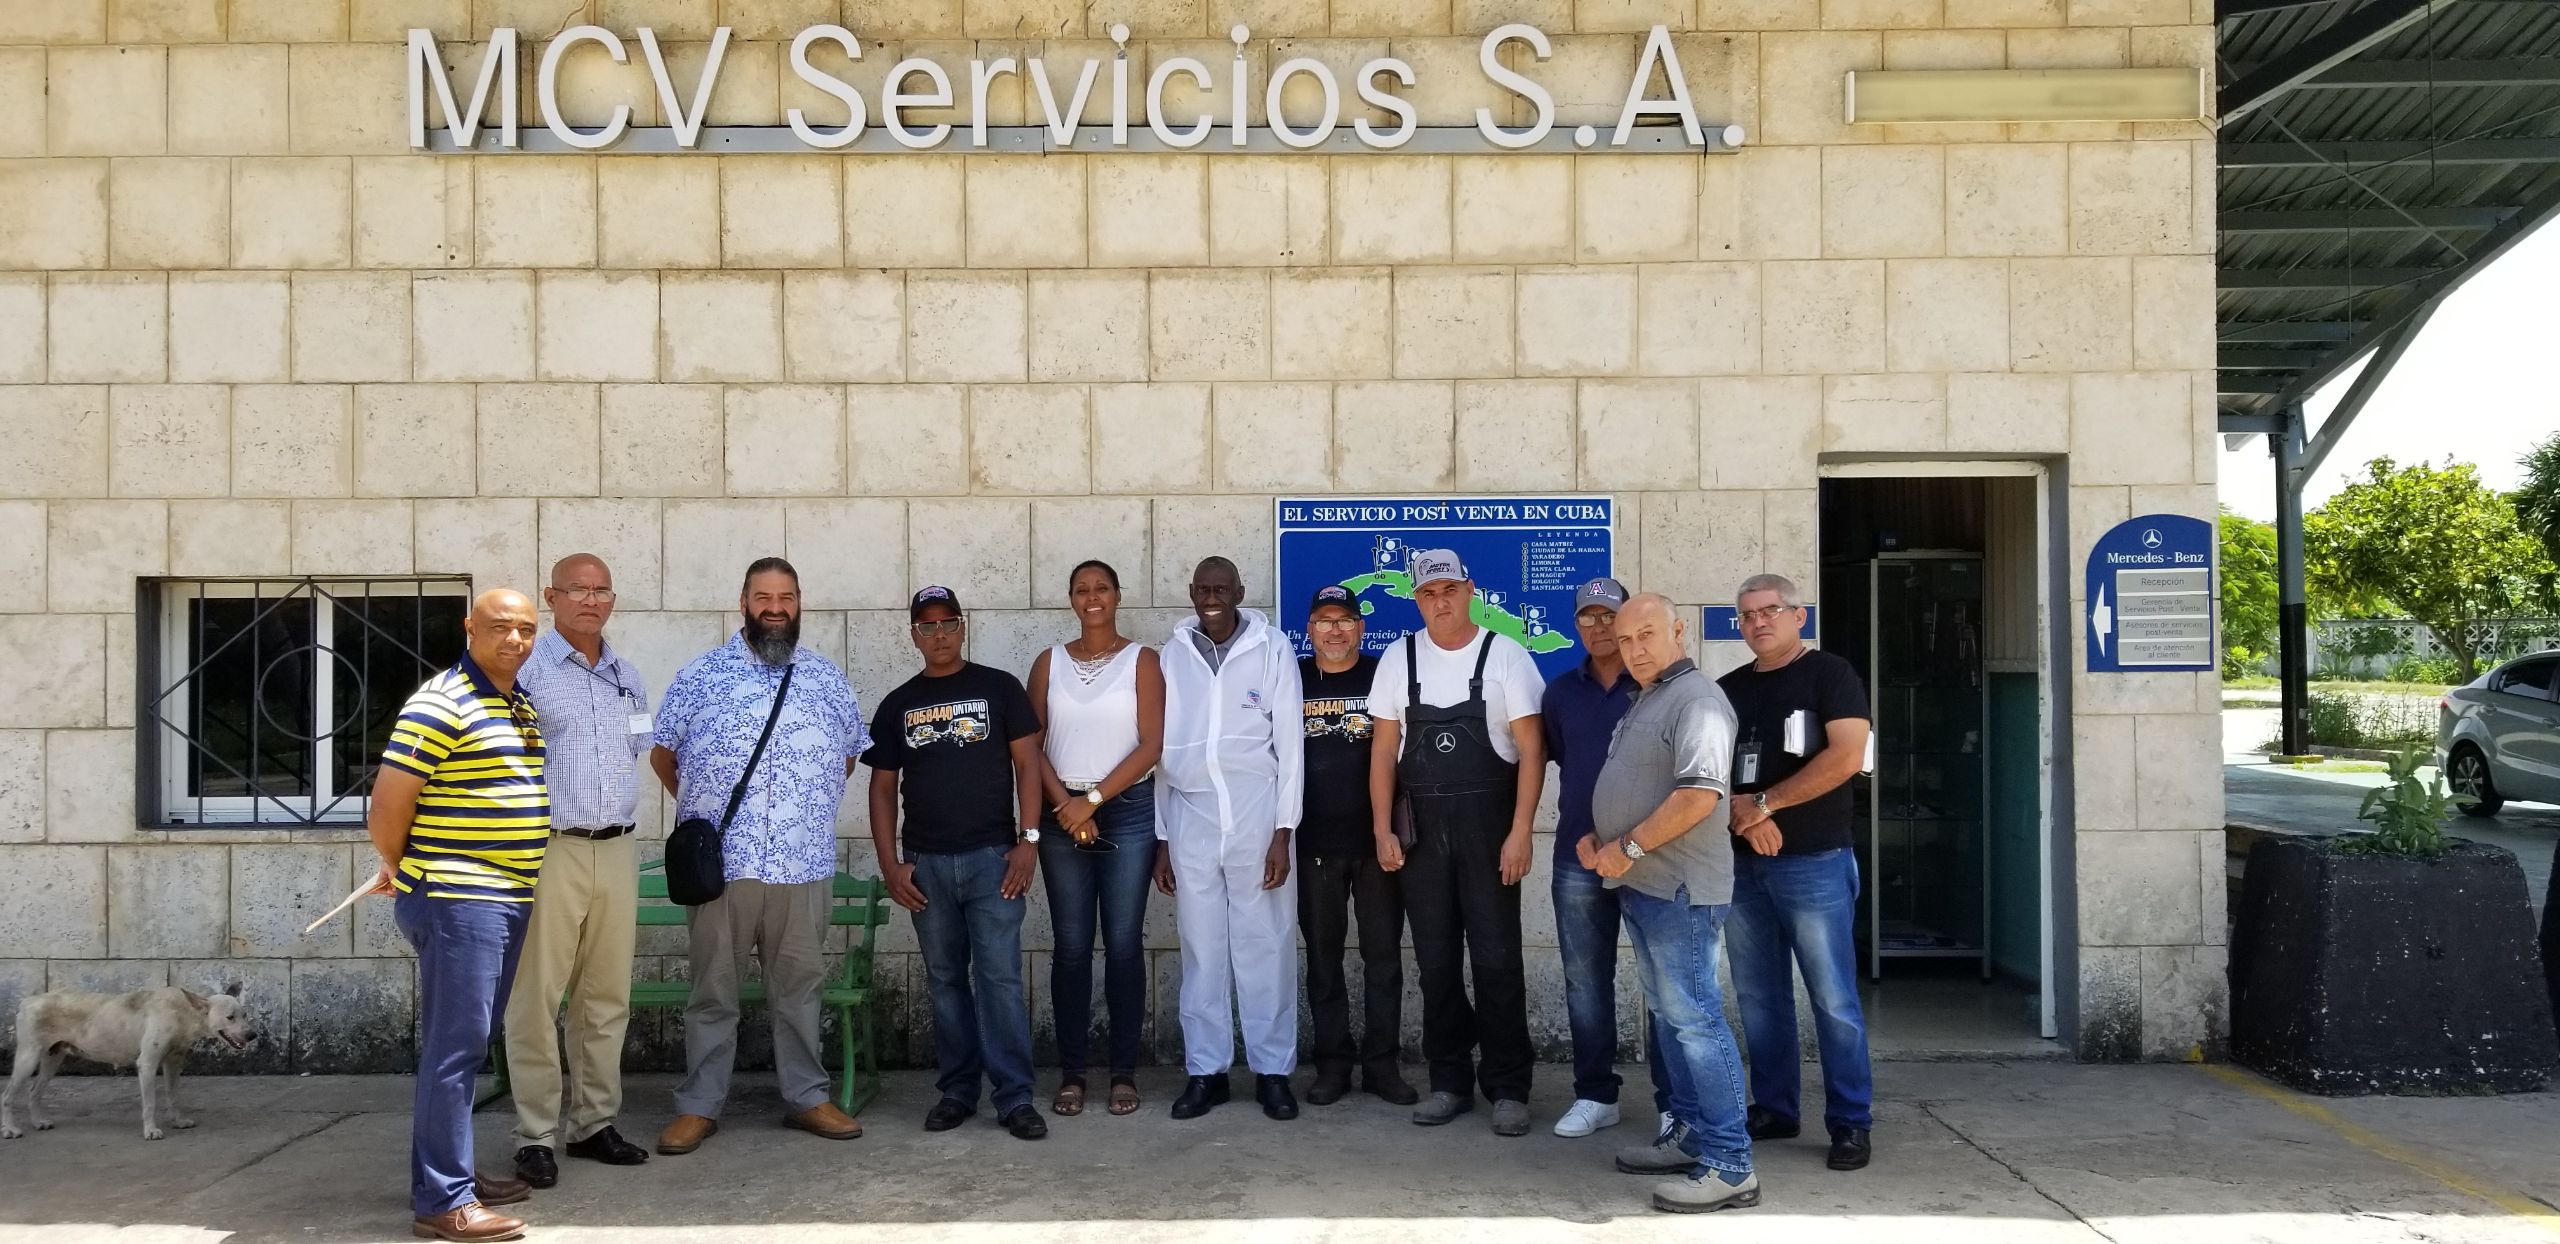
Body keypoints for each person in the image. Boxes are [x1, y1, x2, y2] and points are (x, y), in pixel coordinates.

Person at [649, 558, 871, 1155]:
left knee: (800, 988)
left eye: (787, 597)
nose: (776, 607)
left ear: (800, 603)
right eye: (763, 596)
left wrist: (798, 810)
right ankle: (699, 1106)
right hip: (724, 867)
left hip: (801, 864)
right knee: (712, 991)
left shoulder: (827, 680)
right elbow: (665, 756)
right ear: (743, 602)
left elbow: (846, 758)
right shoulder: (701, 675)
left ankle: (807, 1097)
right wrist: (712, 818)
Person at [366, 588, 547, 1243]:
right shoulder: (440, 702)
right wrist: (402, 865)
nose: (515, 641)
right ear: (470, 627)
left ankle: (453, 1174)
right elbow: (388, 805)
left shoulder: (510, 698)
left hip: (500, 896)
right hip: (459, 898)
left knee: (468, 1045)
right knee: (456, 1050)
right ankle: (444, 1200)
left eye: (526, 630)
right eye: (500, 628)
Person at [1586, 594, 1757, 1215]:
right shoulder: (1651, 696)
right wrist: (1603, 838)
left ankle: (1731, 1164)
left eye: (1647, 635)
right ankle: (1686, 1134)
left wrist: (1626, 845)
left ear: (1678, 631)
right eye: (1626, 640)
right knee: (1672, 1016)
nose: (1634, 649)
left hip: (1680, 890)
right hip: (1647, 885)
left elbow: (1698, 797)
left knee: (1696, 1022)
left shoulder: (1699, 701)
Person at [1368, 549, 1547, 1137]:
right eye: (1427, 592)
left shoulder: (1507, 656)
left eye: (1449, 588)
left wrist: (1521, 830)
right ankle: (1448, 1081)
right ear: (1416, 599)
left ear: (1470, 589)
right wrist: (1381, 826)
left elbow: (1531, 753)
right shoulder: (1399, 658)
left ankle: (1508, 1086)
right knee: (1436, 962)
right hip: (1421, 834)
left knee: (1497, 960)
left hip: (1489, 830)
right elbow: (1382, 754)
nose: (1440, 600)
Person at [865, 586, 1049, 1141]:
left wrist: (1029, 841)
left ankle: (1015, 1097)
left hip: (994, 861)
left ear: (962, 627)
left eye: (948, 623)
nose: (939, 634)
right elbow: (880, 789)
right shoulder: (899, 703)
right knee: (945, 981)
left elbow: (1029, 766)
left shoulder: (999, 688)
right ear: (913, 635)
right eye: (927, 626)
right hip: (926, 866)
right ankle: (957, 1090)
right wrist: (890, 864)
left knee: (998, 979)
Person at [1717, 573, 1876, 1172]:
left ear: (1797, 615)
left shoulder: (1830, 675)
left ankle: (1850, 1123)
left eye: (1771, 610)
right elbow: (1709, 766)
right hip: (1743, 864)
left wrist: (1766, 803)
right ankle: (1776, 1109)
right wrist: (1742, 812)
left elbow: (1847, 755)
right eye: (1748, 614)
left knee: (1832, 998)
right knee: (1759, 997)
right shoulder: (1727, 688)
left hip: (1814, 861)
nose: (1759, 621)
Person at [505, 555, 652, 1190]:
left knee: (605, 997)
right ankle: (535, 1134)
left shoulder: (627, 676)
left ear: (612, 600)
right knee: (536, 997)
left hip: (617, 848)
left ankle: (594, 1123)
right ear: (551, 596)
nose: (590, 600)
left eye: (601, 590)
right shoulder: (524, 674)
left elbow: (642, 749)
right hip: (551, 848)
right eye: (577, 590)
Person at [1155, 556, 1305, 1122]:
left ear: (1240, 591)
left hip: (1256, 812)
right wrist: (1163, 836)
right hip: (1191, 815)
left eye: (1223, 588)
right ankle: (1207, 1072)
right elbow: (1160, 750)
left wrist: (1282, 831)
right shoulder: (1175, 653)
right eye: (1203, 588)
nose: (1213, 596)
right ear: (1191, 592)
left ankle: (1272, 1073)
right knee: (1202, 950)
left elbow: (1290, 746)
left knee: (1264, 943)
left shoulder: (1271, 648)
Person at [1026, 561, 1165, 1118]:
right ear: (1070, 598)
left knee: (1126, 945)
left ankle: (1124, 1072)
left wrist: (1094, 801)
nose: (1092, 597)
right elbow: (1030, 743)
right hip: (1064, 816)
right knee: (1072, 947)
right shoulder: (1048, 663)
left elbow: (1151, 746)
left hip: (1126, 812)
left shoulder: (1143, 661)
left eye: (1101, 588)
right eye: (1081, 589)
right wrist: (1066, 805)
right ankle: (1074, 1072)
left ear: (1118, 595)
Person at [1540, 576, 1672, 1141]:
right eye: (1587, 618)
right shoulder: (1560, 692)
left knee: (1665, 984)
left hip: (1654, 855)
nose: (1598, 628)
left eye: (1608, 618)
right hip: (1580, 855)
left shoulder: (1658, 688)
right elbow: (1564, 761)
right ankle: (1596, 1095)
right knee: (1584, 979)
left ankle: (1677, 1103)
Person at [1295, 585, 1416, 1107]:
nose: (1336, 630)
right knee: (1322, 959)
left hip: (1377, 844)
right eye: (1325, 620)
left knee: (1383, 958)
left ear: (1361, 628)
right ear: (1310, 630)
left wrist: (1387, 829)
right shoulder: (1291, 678)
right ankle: (1333, 1065)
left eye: (1345, 620)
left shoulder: (1382, 676)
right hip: (1313, 843)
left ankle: (1383, 1066)